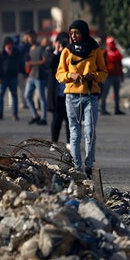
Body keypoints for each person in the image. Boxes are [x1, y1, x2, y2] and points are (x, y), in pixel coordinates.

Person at [56, 20, 108, 175]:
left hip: (90, 96)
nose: (73, 36)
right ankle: (77, 168)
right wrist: (71, 75)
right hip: (72, 96)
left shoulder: (94, 49)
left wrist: (94, 76)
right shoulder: (67, 51)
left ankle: (89, 165)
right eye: (71, 33)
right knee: (75, 133)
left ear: (84, 33)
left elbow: (104, 73)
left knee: (90, 131)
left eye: (77, 33)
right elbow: (59, 74)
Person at [47, 32, 70, 143]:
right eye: (62, 42)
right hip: (57, 94)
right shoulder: (51, 54)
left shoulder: (70, 54)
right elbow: (50, 64)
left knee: (70, 120)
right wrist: (57, 51)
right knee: (57, 119)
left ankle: (70, 143)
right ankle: (54, 142)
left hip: (68, 93)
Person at [0, 37, 24, 120]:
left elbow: (20, 62)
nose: (10, 46)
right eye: (8, 44)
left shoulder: (16, 51)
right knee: (0, 95)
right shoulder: (0, 51)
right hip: (3, 77)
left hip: (13, 76)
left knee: (14, 95)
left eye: (11, 44)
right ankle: (0, 113)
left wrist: (23, 72)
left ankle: (14, 114)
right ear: (5, 45)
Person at [24, 30, 49, 125]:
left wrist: (32, 64)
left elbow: (44, 60)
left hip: (39, 76)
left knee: (42, 97)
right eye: (28, 38)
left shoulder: (40, 48)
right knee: (27, 96)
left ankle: (43, 118)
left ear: (34, 37)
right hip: (32, 75)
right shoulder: (30, 48)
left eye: (30, 37)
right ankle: (35, 115)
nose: (29, 40)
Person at [100, 36, 125, 115]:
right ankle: (103, 109)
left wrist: (121, 75)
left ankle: (117, 109)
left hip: (116, 75)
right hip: (108, 76)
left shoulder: (117, 52)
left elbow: (120, 64)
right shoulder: (105, 52)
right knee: (105, 93)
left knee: (116, 94)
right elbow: (101, 63)